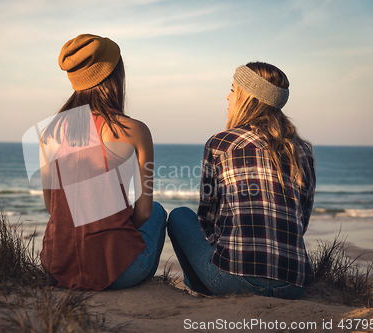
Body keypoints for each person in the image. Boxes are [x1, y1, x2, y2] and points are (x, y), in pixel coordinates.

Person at [168, 62, 315, 299]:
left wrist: (231, 252)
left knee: (179, 216)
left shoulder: (221, 144)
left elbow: (208, 218)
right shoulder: (302, 151)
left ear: (247, 97)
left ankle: (201, 286)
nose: (228, 97)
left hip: (233, 280)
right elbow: (302, 219)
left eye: (233, 89)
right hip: (294, 284)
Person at [39, 34, 167, 291]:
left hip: (58, 267)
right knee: (160, 212)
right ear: (115, 76)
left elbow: (52, 207)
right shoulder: (136, 131)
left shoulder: (49, 133)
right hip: (120, 273)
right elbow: (143, 212)